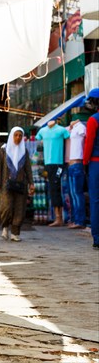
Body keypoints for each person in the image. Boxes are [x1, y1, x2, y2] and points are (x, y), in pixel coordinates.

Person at [0, 127, 34, 242]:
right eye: (16, 135)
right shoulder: (4, 149)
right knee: (5, 207)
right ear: (12, 136)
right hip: (5, 183)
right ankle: (5, 227)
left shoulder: (24, 151)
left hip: (21, 184)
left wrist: (31, 183)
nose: (18, 138)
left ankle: (15, 233)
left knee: (19, 209)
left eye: (20, 136)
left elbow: (28, 168)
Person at [36, 119, 70, 227]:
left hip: (59, 164)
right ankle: (58, 217)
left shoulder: (61, 130)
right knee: (53, 188)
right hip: (48, 164)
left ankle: (59, 218)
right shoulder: (42, 131)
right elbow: (38, 139)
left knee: (56, 187)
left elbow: (68, 137)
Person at [83, 88, 99, 250]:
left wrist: (85, 162)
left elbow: (89, 144)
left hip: (95, 163)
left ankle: (97, 238)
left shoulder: (93, 120)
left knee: (95, 201)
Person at [66, 115, 86, 229]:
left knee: (77, 193)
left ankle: (80, 220)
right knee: (73, 194)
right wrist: (71, 125)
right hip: (71, 165)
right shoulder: (73, 128)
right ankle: (74, 219)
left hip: (77, 163)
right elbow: (65, 131)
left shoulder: (81, 128)